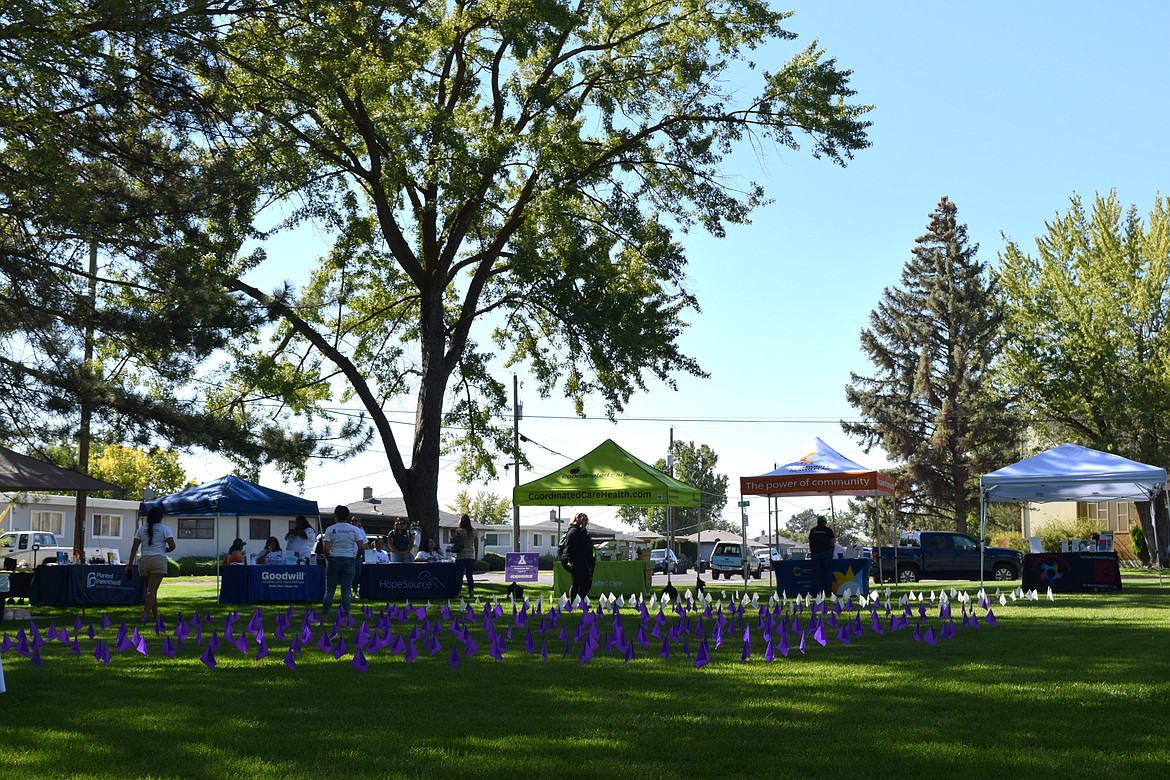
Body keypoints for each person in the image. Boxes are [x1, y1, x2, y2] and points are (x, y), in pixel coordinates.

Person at [125, 507, 176, 623]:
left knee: (151, 590)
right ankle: (145, 615)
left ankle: (156, 615)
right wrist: (164, 550)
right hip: (158, 559)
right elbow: (172, 546)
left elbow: (134, 549)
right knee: (152, 590)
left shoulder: (141, 530)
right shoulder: (165, 529)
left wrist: (129, 565)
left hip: (144, 560)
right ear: (160, 517)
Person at [321, 505, 367, 617]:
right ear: (347, 516)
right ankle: (346, 616)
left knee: (330, 590)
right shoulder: (355, 529)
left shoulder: (330, 529)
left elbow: (326, 548)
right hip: (348, 560)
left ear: (335, 516)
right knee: (346, 591)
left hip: (334, 559)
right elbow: (361, 547)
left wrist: (328, 557)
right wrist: (355, 558)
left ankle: (325, 615)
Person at [563, 512, 596, 603]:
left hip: (581, 559)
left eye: (586, 520)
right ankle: (577, 601)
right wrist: (570, 560)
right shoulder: (574, 531)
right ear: (578, 521)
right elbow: (570, 546)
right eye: (583, 520)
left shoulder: (584, 532)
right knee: (583, 581)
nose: (586, 522)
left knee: (579, 581)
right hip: (573, 559)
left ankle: (577, 601)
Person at [808, 515, 836, 597]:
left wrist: (813, 551)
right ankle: (827, 592)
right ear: (825, 522)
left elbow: (810, 543)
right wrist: (831, 552)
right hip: (826, 553)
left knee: (815, 574)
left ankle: (815, 593)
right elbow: (833, 543)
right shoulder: (828, 530)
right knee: (827, 573)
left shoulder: (813, 531)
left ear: (817, 522)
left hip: (815, 554)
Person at [453, 514, 477, 598]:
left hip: (460, 556)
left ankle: (458, 593)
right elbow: (476, 545)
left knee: (459, 576)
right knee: (469, 575)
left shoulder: (459, 531)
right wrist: (476, 557)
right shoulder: (474, 531)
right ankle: (471, 593)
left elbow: (452, 541)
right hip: (470, 555)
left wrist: (451, 534)